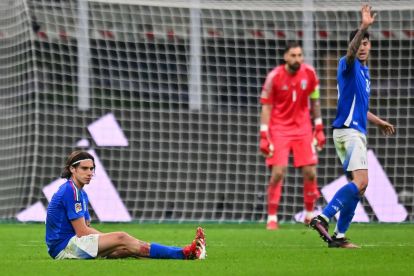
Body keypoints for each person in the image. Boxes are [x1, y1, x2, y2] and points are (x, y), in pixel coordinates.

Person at [310, 5, 395, 248]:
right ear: (354, 46)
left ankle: (338, 237)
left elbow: (361, 108)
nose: (363, 47)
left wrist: (378, 122)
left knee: (359, 187)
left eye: (366, 43)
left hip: (353, 131)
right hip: (348, 132)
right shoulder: (347, 65)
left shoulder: (365, 74)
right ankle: (323, 217)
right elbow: (349, 52)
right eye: (360, 43)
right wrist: (364, 27)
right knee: (361, 181)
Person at [45, 150, 207, 260]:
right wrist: (111, 239)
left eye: (92, 169)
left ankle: (186, 253)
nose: (90, 173)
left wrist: (109, 241)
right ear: (72, 169)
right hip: (64, 248)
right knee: (122, 237)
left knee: (125, 248)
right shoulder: (69, 191)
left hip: (72, 244)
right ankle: (185, 252)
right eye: (85, 168)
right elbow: (82, 232)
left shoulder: (81, 193)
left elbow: (86, 226)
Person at [259, 41, 326, 230]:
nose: (298, 59)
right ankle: (272, 217)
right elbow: (267, 106)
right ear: (285, 57)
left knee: (310, 172)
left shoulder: (310, 73)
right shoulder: (274, 77)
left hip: (303, 128)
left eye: (300, 55)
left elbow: (315, 102)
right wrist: (264, 134)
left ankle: (309, 214)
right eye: (294, 55)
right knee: (278, 172)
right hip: (279, 128)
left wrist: (319, 127)